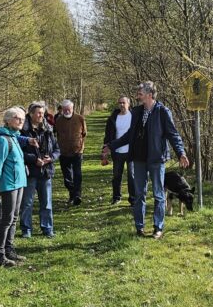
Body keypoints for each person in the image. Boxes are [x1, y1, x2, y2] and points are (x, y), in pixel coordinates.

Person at [103, 81, 190, 239]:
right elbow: (130, 135)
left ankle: (158, 228)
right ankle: (139, 227)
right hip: (138, 158)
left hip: (156, 159)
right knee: (139, 194)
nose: (137, 95)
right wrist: (112, 145)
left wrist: (181, 152)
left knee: (158, 194)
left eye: (140, 93)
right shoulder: (136, 112)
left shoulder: (163, 112)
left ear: (149, 95)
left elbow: (173, 134)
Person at [0, 107, 35, 267]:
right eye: (17, 118)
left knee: (14, 218)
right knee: (7, 219)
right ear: (8, 120)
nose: (21, 121)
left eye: (23, 118)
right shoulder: (2, 139)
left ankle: (9, 249)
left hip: (19, 182)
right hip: (8, 185)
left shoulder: (15, 137)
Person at [20, 101, 60, 238]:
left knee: (47, 203)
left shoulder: (48, 129)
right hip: (30, 172)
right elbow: (19, 153)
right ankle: (26, 230)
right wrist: (33, 159)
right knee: (27, 203)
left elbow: (57, 149)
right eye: (38, 113)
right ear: (31, 114)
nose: (41, 115)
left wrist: (51, 158)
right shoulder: (23, 131)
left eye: (43, 113)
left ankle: (47, 228)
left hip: (46, 171)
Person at [103, 96, 135, 205]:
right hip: (117, 151)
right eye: (120, 103)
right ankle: (116, 197)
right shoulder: (113, 118)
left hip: (131, 151)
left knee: (132, 176)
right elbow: (108, 135)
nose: (121, 105)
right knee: (117, 175)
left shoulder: (134, 116)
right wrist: (105, 149)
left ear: (128, 104)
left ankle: (133, 199)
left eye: (124, 103)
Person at [54, 99, 87, 205]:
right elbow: (56, 133)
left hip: (77, 151)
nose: (67, 111)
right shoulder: (58, 120)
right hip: (63, 152)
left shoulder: (80, 118)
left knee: (77, 174)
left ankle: (77, 195)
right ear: (62, 110)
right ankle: (72, 193)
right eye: (65, 109)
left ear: (72, 109)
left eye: (68, 109)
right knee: (67, 177)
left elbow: (84, 133)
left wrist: (81, 146)